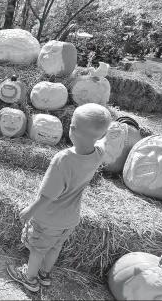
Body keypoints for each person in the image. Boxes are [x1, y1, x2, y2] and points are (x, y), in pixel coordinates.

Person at [7, 103, 111, 293]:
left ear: (71, 129)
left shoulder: (63, 160)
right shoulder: (97, 154)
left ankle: (29, 278)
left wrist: (31, 210)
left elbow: (49, 195)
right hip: (70, 219)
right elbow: (103, 143)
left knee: (38, 249)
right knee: (55, 247)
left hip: (48, 217)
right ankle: (44, 275)